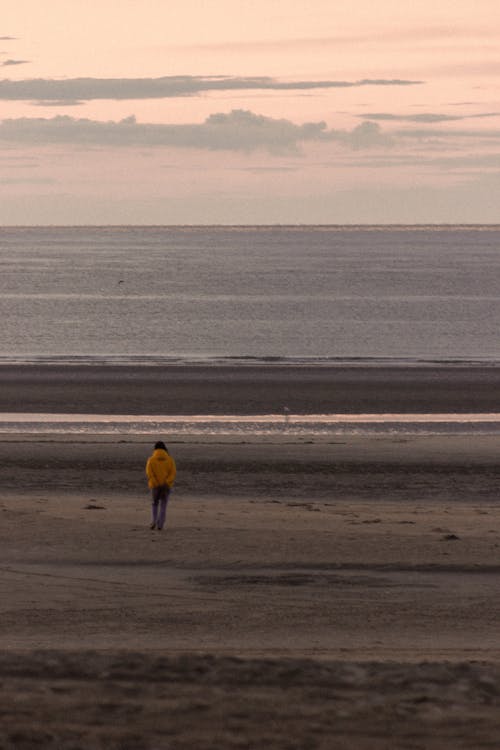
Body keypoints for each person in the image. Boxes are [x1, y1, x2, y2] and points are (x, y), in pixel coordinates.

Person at [145, 441, 176, 530]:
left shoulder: (151, 460)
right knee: (163, 504)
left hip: (155, 486)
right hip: (166, 486)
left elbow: (149, 473)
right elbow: (173, 473)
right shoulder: (170, 460)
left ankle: (154, 520)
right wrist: (167, 482)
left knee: (154, 503)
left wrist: (155, 482)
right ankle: (160, 524)